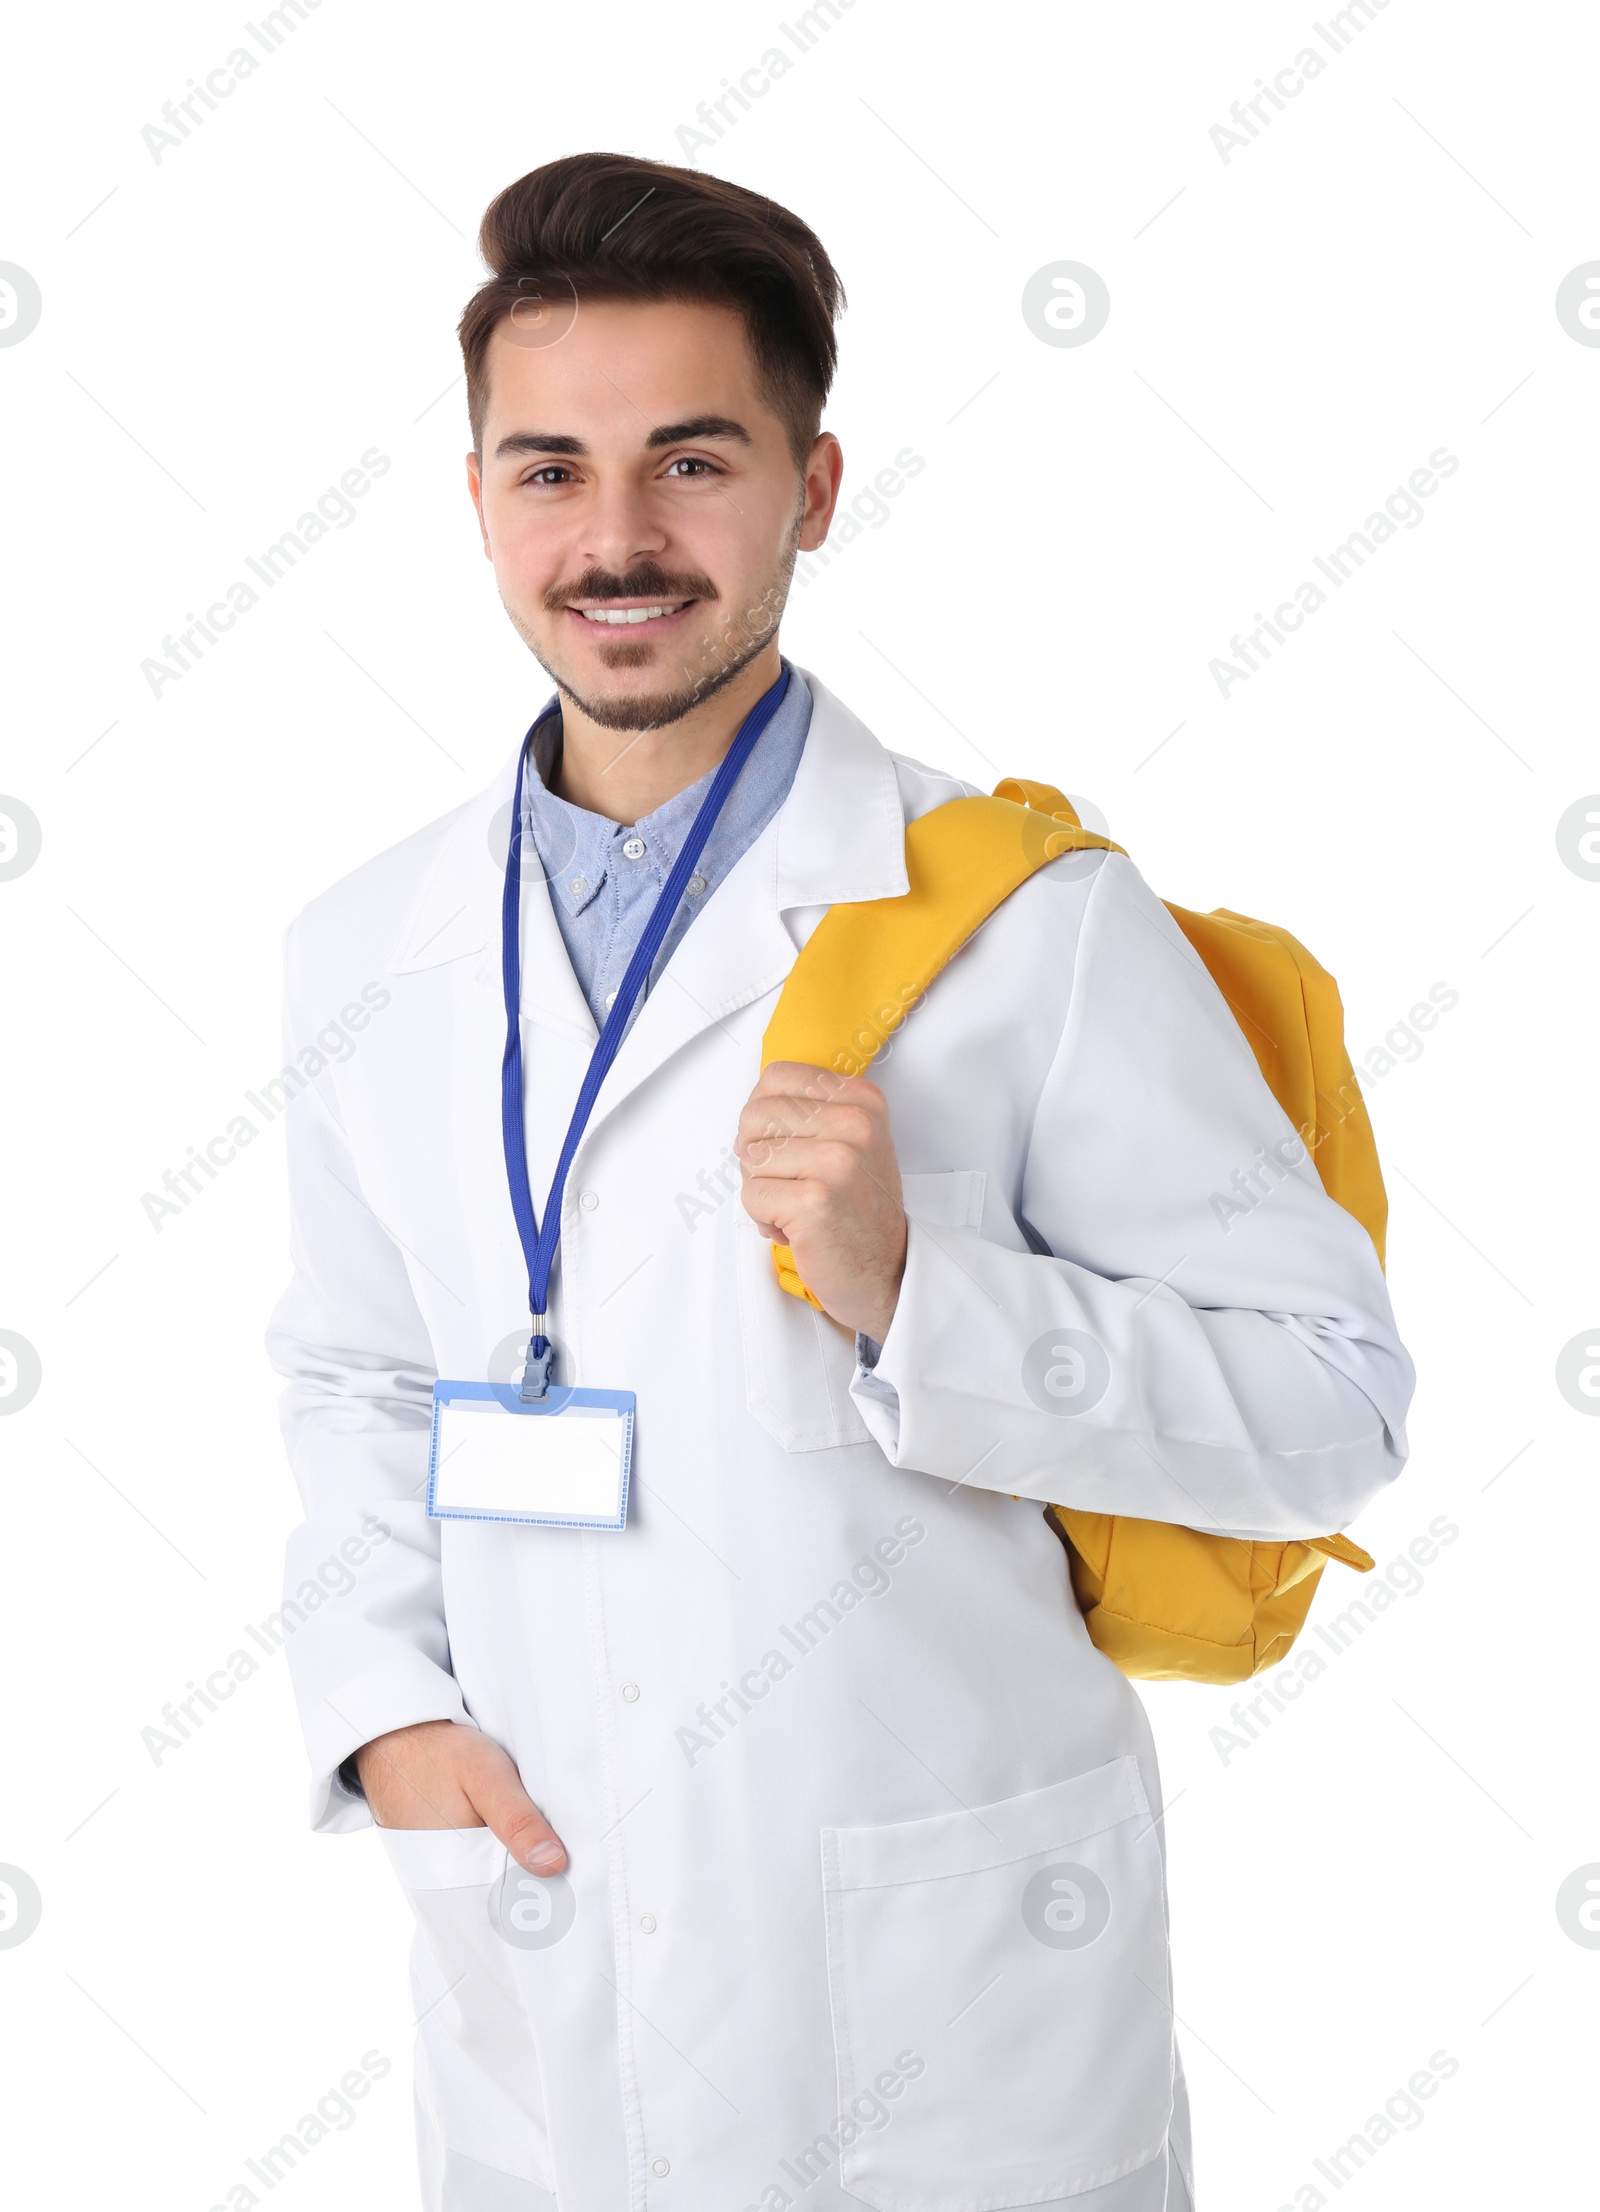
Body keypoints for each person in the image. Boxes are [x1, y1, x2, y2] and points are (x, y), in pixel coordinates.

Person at [268, 151, 1413, 2212]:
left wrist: (921, 1288)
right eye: (546, 470)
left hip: (948, 2008)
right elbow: (356, 1373)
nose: (613, 540)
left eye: (688, 464)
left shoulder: (1021, 919)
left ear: (807, 484)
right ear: (472, 501)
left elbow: (1328, 1400)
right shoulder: (366, 950)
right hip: (542, 1966)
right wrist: (380, 1717)